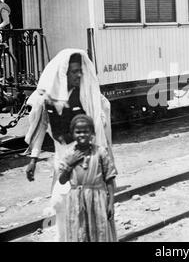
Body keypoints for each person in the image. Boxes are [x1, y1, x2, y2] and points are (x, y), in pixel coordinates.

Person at [24, 48, 115, 242]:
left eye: (80, 70)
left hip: (87, 164)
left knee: (86, 210)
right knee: (60, 205)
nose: (79, 75)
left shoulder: (89, 97)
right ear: (64, 73)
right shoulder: (48, 99)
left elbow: (101, 131)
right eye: (74, 71)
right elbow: (42, 126)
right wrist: (33, 159)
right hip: (62, 160)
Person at [59, 114, 117, 242]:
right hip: (76, 200)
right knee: (79, 233)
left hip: (98, 198)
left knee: (99, 231)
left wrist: (111, 203)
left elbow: (110, 179)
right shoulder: (69, 154)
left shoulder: (100, 152)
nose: (82, 135)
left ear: (92, 133)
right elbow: (62, 181)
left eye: (86, 131)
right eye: (78, 132)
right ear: (72, 134)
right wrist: (70, 164)